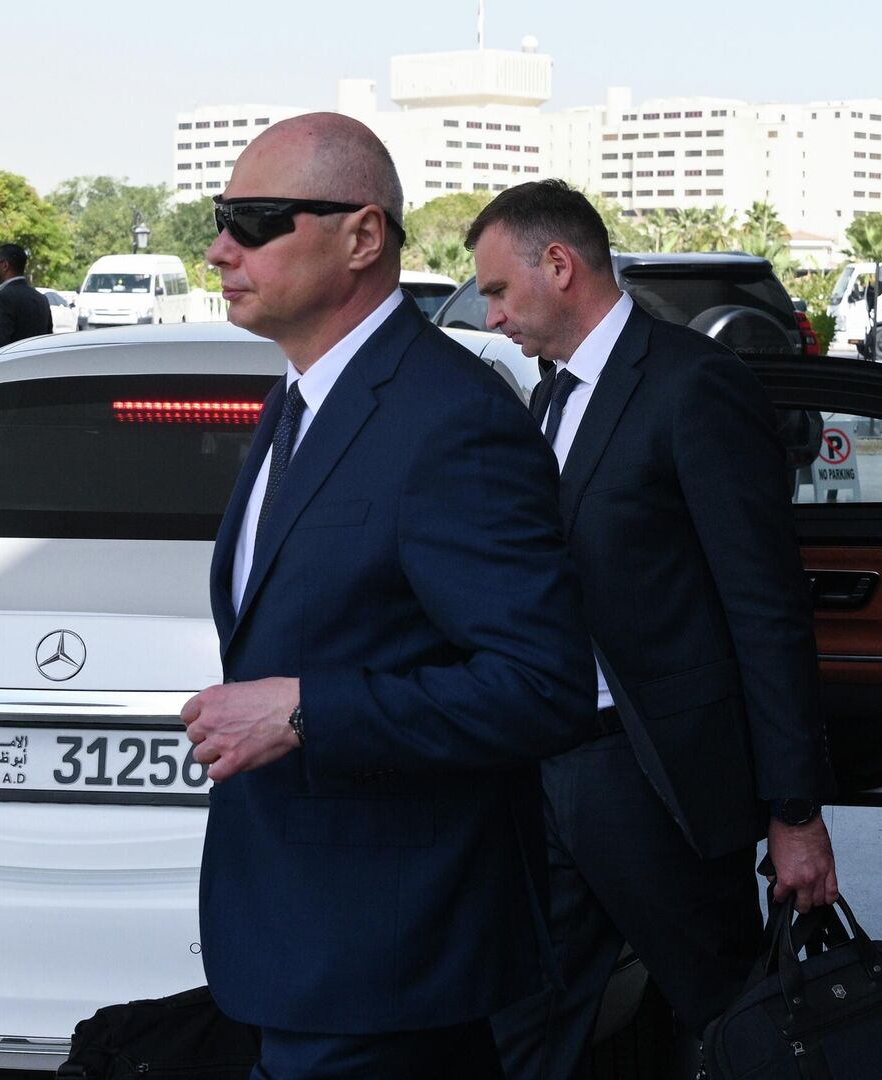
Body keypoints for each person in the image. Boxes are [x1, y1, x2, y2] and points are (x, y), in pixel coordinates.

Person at [178, 115, 598, 1079]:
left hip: (390, 958)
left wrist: (303, 710)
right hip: (298, 943)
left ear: (363, 236)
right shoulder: (301, 397)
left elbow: (543, 687)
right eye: (220, 218)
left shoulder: (451, 418)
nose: (221, 249)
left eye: (256, 220)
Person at [466, 181, 839, 1080]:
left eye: (498, 290)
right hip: (547, 767)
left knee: (730, 1022)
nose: (491, 316)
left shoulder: (693, 384)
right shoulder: (548, 397)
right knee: (522, 1024)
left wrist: (795, 811)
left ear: (560, 266)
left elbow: (765, 606)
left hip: (656, 783)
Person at [0, 243, 52, 350]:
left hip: (11, 360)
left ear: (5, 265)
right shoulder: (41, 299)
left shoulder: (3, 299)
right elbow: (48, 342)